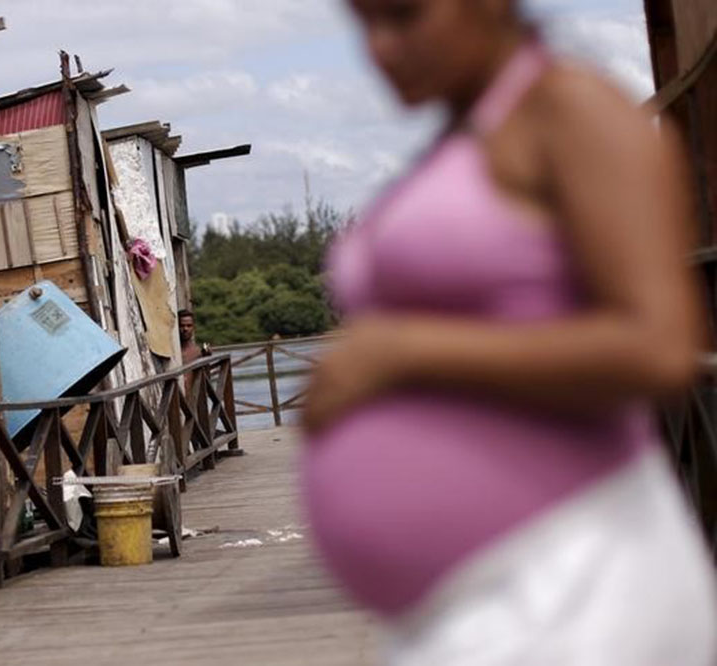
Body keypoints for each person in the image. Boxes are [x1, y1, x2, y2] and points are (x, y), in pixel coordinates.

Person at [301, 1, 717, 664]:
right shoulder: (462, 140)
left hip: (574, 578)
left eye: (403, 16)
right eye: (364, 23)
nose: (379, 48)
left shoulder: (572, 108)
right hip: (483, 605)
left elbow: (660, 345)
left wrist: (410, 353)